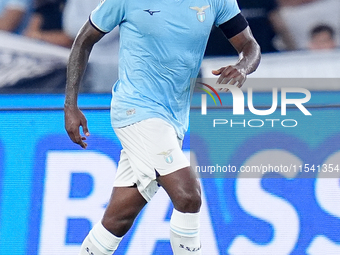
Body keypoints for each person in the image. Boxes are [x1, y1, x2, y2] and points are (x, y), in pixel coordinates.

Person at [64, 0, 260, 254]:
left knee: (118, 219)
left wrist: (243, 67)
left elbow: (249, 45)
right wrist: (71, 105)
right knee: (188, 195)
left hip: (174, 119)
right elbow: (83, 40)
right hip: (136, 110)